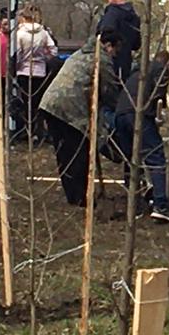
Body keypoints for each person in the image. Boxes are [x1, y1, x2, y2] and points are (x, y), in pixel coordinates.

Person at [39, 32, 110, 207]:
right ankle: (80, 196)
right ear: (108, 45)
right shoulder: (102, 59)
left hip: (50, 104)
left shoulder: (80, 53)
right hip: (70, 110)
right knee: (78, 151)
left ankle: (72, 194)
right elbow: (110, 91)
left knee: (63, 152)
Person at [111, 50, 169, 222]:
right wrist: (157, 119)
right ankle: (160, 205)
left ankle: (135, 204)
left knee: (132, 159)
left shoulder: (140, 70)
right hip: (137, 114)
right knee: (156, 156)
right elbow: (157, 100)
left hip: (120, 115)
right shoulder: (162, 71)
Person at [13, 4, 57, 145]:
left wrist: (17, 66)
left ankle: (27, 131)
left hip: (24, 71)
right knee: (37, 104)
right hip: (40, 71)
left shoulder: (20, 34)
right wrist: (44, 58)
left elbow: (18, 53)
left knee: (25, 103)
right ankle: (38, 132)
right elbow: (53, 50)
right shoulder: (43, 32)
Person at [96, 0, 141, 81]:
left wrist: (109, 45)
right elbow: (136, 44)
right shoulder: (135, 17)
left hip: (110, 62)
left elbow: (105, 32)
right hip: (126, 63)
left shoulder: (112, 13)